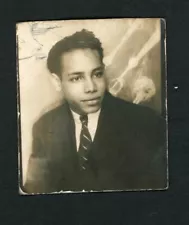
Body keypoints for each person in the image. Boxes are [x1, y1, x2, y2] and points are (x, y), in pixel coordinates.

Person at [23, 29, 167, 194]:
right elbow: (35, 194)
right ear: (57, 82)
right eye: (77, 78)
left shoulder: (145, 123)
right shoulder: (44, 127)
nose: (91, 88)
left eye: (97, 74)